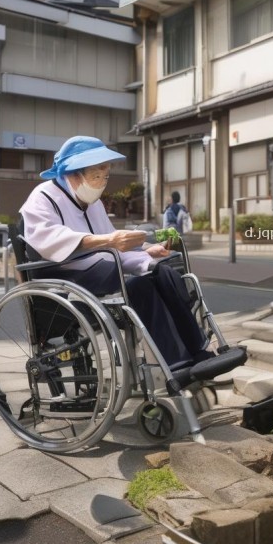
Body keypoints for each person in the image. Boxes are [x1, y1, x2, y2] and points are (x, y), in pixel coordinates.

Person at [19, 136, 213, 370]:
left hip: (101, 265)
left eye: (105, 176)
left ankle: (195, 351)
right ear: (71, 173)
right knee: (143, 279)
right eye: (95, 176)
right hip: (64, 273)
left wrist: (146, 250)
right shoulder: (43, 198)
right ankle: (178, 362)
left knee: (160, 275)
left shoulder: (93, 203)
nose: (101, 182)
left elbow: (112, 241)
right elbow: (48, 238)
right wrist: (109, 240)